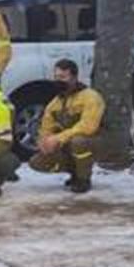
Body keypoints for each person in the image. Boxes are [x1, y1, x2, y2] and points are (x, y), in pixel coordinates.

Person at [29, 59, 106, 193]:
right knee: (37, 162)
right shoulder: (55, 103)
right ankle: (75, 172)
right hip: (68, 141)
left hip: (98, 141)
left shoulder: (91, 97)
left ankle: (84, 179)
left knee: (78, 142)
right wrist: (44, 142)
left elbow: (88, 127)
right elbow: (46, 127)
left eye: (63, 77)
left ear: (74, 77)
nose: (59, 81)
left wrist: (58, 139)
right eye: (57, 77)